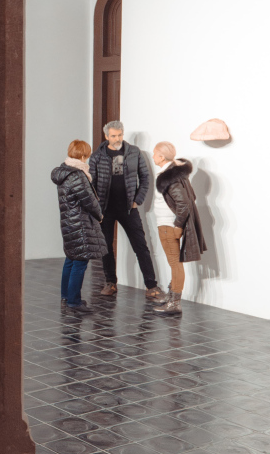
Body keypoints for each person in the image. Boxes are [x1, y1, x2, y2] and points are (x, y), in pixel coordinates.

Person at [89, 121, 164, 300]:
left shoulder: (134, 152)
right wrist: (96, 206)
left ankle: (151, 285)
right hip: (105, 209)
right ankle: (110, 282)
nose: (117, 139)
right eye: (113, 136)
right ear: (106, 136)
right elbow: (91, 183)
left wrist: (137, 200)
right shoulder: (97, 156)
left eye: (120, 135)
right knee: (106, 247)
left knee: (141, 246)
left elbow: (145, 178)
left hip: (128, 209)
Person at [150, 141, 207, 314]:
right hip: (166, 224)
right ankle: (171, 296)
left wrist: (177, 225)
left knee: (175, 264)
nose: (153, 156)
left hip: (168, 225)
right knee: (174, 263)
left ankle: (174, 302)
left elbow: (184, 203)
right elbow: (191, 197)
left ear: (161, 157)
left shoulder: (169, 176)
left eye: (154, 153)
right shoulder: (174, 172)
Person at [52, 139, 106, 309]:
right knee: (80, 262)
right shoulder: (77, 175)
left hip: (69, 222)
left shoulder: (64, 172)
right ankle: (74, 301)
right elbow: (89, 200)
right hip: (80, 223)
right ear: (83, 155)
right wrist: (99, 215)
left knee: (71, 259)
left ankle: (66, 296)